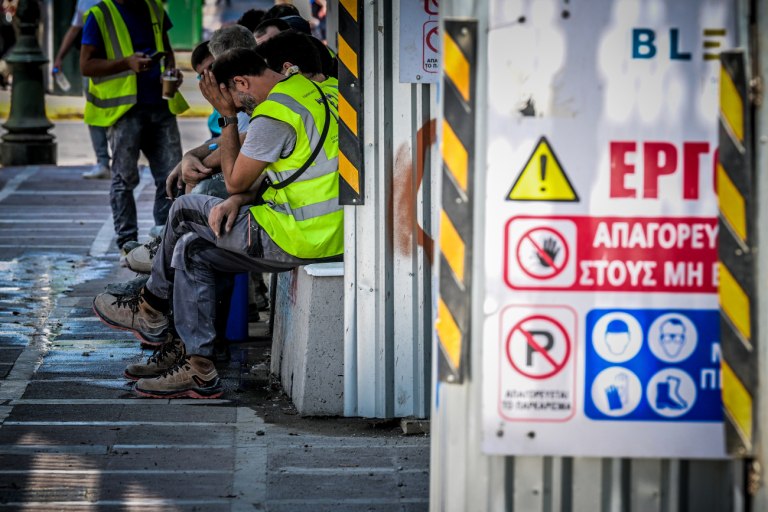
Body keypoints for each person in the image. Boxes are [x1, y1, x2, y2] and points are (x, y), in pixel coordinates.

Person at [93, 47, 342, 398]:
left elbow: (236, 180)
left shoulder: (275, 113)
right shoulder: (322, 91)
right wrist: (237, 197)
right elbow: (279, 173)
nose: (241, 110)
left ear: (241, 82)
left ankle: (150, 305)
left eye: (238, 102)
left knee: (183, 209)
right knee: (193, 251)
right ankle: (198, 367)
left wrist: (226, 117)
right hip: (325, 231)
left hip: (301, 235)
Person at [80, 0, 187, 259]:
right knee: (124, 178)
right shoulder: (99, 14)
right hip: (125, 110)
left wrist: (171, 70)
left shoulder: (154, 8)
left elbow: (167, 48)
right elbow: (86, 65)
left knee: (172, 177)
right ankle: (126, 242)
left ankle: (163, 240)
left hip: (160, 105)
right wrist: (126, 63)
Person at [53, 0, 112, 179]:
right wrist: (59, 57)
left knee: (114, 115)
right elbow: (75, 28)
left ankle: (111, 161)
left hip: (114, 66)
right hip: (95, 66)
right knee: (95, 113)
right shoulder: (85, 1)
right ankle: (104, 162)